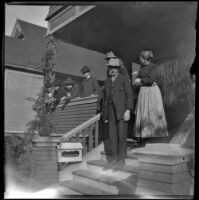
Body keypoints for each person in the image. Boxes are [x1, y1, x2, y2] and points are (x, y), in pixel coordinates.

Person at [100, 58, 134, 166]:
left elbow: (130, 95)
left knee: (122, 135)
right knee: (112, 135)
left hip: (122, 111)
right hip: (110, 111)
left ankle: (121, 159)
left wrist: (128, 110)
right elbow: (105, 99)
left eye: (115, 68)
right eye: (111, 68)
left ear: (118, 69)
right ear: (108, 69)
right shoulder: (106, 81)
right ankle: (114, 158)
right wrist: (105, 114)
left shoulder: (124, 79)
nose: (113, 70)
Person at [134, 50, 169, 144]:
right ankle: (145, 136)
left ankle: (155, 136)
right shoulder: (142, 68)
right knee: (144, 112)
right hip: (143, 92)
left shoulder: (154, 67)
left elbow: (150, 80)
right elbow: (138, 78)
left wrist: (140, 81)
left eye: (140, 58)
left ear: (144, 58)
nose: (139, 60)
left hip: (152, 92)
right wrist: (137, 80)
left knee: (153, 112)